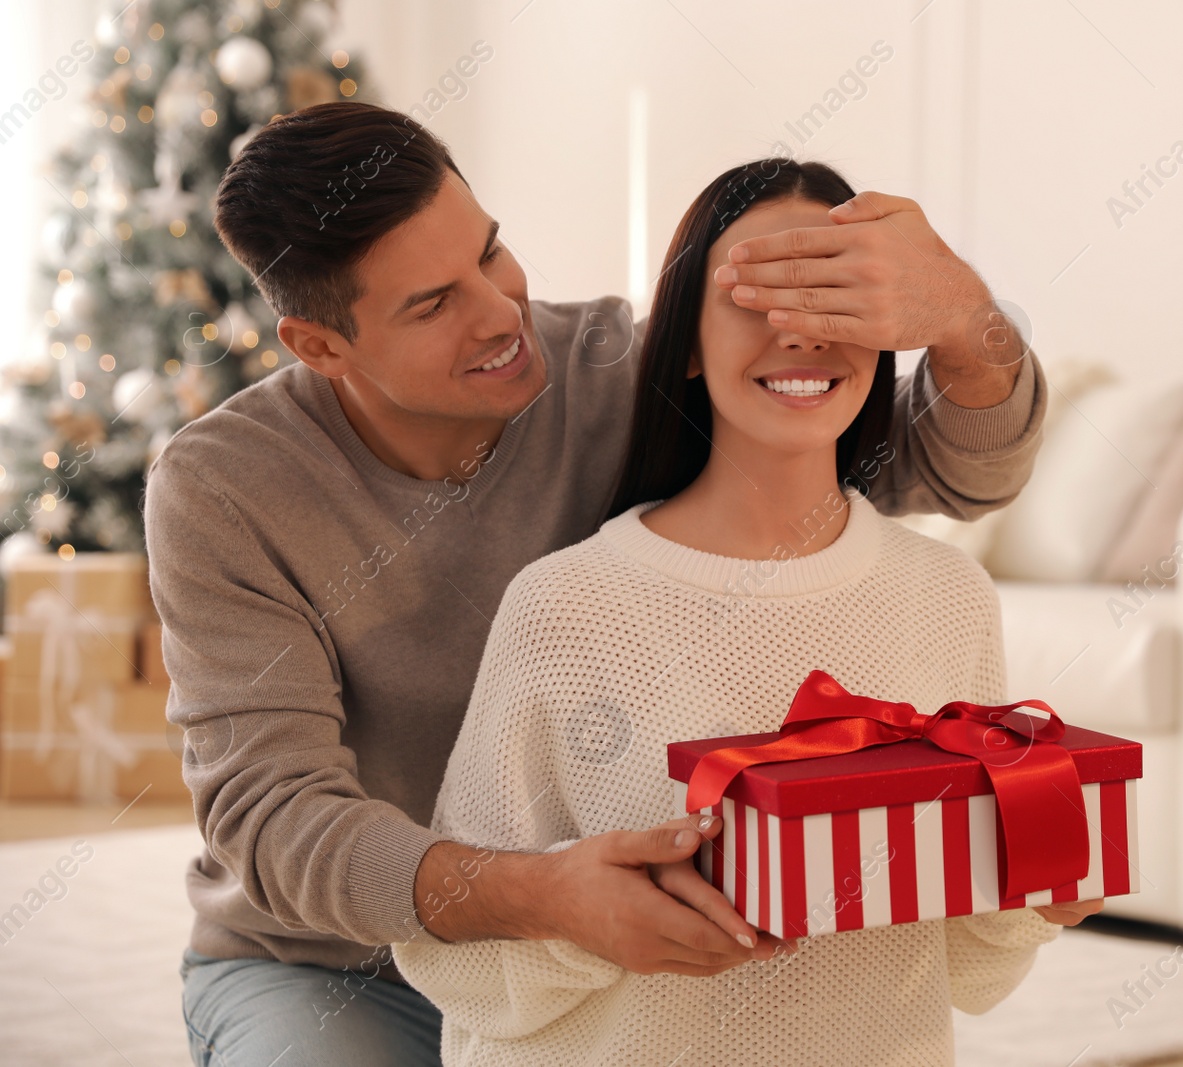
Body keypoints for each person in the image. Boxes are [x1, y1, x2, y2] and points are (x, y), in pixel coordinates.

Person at [149, 102, 1047, 1067]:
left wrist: (962, 317)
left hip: (586, 937)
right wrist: (542, 896)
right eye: (432, 303)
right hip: (327, 964)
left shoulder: (615, 372)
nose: (501, 315)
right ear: (320, 346)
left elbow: (955, 469)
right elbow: (275, 814)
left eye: (491, 254)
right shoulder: (223, 487)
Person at [391, 158, 1099, 1067]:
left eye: (834, 301)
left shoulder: (946, 596)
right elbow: (453, 962)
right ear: (683, 342)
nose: (802, 334)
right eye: (759, 296)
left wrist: (1035, 890)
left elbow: (968, 974)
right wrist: (588, 920)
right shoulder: (566, 606)